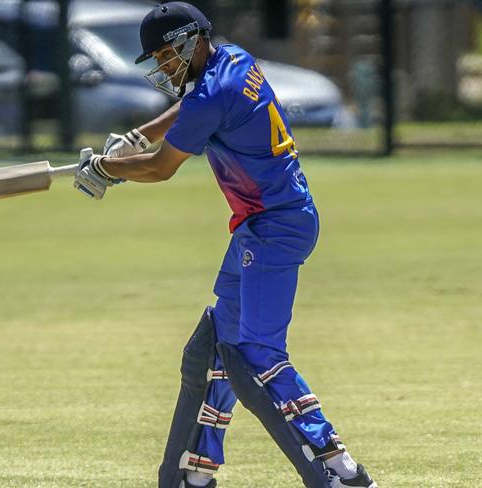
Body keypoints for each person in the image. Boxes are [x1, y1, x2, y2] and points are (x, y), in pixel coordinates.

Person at [73, 3, 377, 488]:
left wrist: (107, 170)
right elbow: (186, 110)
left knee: (257, 354)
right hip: (264, 225)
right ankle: (198, 473)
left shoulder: (214, 92)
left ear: (192, 41)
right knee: (220, 347)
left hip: (275, 229)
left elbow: (160, 167)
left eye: (167, 55)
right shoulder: (231, 59)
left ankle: (341, 469)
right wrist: (137, 136)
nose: (164, 67)